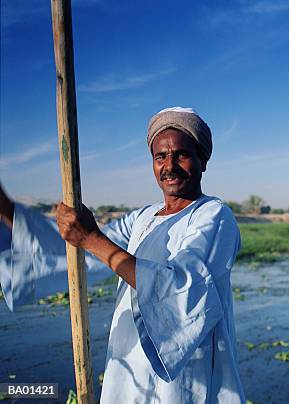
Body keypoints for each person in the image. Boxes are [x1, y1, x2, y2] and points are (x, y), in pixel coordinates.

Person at [0, 107, 245, 403]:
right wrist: (6, 210)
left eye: (181, 154)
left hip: (185, 374)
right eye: (160, 157)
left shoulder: (214, 215)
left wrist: (93, 239)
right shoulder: (141, 218)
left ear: (202, 160)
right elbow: (79, 251)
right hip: (130, 368)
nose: (170, 166)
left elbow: (182, 288)